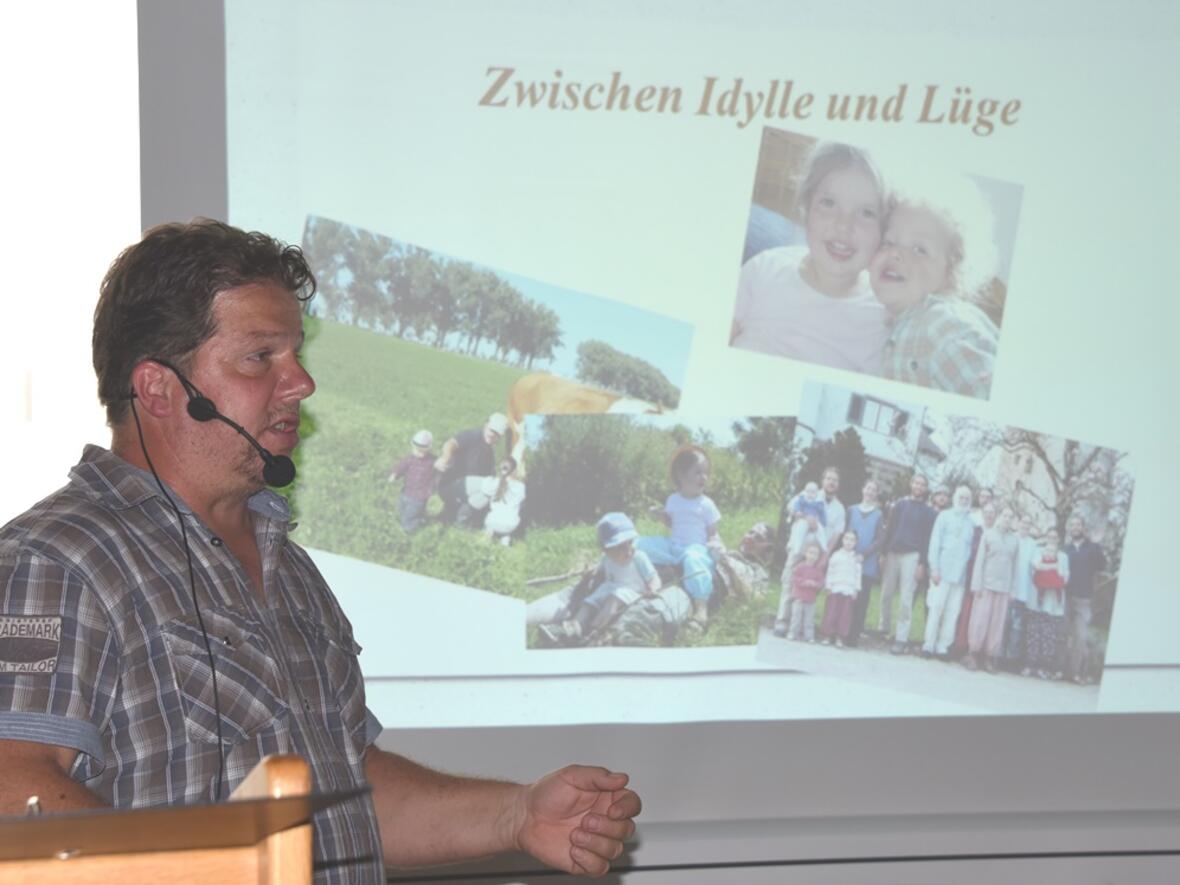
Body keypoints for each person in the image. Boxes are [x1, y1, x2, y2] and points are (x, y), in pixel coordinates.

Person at [0, 221, 639, 883]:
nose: (300, 381)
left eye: (296, 353)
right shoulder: (54, 562)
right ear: (161, 389)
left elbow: (349, 790)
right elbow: (16, 795)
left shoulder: (288, 566)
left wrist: (516, 814)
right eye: (261, 357)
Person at [730, 141, 888, 373]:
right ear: (805, 210)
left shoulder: (885, 318)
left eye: (866, 213)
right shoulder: (765, 267)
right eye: (829, 203)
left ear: (884, 232)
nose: (844, 226)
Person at [869, 174, 1000, 400]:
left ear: (951, 274)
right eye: (889, 241)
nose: (895, 253)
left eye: (919, 249)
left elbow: (986, 391)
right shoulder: (895, 319)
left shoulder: (942, 322)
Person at [539, 512, 661, 646]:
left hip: (632, 591)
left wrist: (653, 588)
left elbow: (653, 577)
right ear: (606, 549)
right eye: (620, 547)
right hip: (610, 587)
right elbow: (599, 570)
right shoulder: (607, 559)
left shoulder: (639, 558)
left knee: (613, 600)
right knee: (589, 601)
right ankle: (574, 627)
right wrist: (590, 573)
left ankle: (593, 631)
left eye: (630, 542)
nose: (628, 550)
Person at [639, 445, 723, 632]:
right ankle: (634, 575)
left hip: (696, 547)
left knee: (694, 561)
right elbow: (671, 523)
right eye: (698, 472)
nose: (704, 477)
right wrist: (659, 515)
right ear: (681, 475)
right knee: (641, 544)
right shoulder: (673, 500)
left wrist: (715, 544)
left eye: (706, 473)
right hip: (674, 546)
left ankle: (701, 608)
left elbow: (712, 531)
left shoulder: (706, 504)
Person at [877, 473, 936, 654]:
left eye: (922, 484)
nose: (918, 487)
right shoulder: (900, 505)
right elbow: (890, 528)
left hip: (912, 556)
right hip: (893, 553)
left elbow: (927, 540)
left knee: (905, 598)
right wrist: (883, 553)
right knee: (886, 593)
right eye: (916, 483)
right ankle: (883, 629)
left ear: (925, 489)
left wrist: (922, 564)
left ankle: (901, 638)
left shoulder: (929, 513)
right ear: (911, 485)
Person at [921, 485, 976, 659]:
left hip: (959, 576)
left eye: (967, 498)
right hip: (942, 572)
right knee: (936, 608)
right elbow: (935, 543)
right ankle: (928, 645)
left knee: (952, 613)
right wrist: (934, 568)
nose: (964, 501)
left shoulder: (971, 523)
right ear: (955, 498)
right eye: (961, 497)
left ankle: (943, 647)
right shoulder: (944, 517)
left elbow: (969, 551)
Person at [964, 506, 1020, 673]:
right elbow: (980, 561)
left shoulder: (1014, 540)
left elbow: (1015, 567)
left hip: (1003, 589)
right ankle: (973, 654)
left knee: (996, 624)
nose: (1007, 519)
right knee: (980, 621)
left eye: (1011, 517)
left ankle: (989, 657)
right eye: (1005, 515)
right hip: (986, 586)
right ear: (999, 516)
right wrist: (977, 585)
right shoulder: (988, 535)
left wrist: (1012, 590)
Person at [435, 413, 508, 525]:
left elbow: (488, 479)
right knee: (490, 485)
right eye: (492, 430)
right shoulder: (472, 435)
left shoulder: (489, 453)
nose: (493, 435)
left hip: (465, 491)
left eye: (498, 434)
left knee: (488, 492)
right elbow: (450, 444)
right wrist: (446, 457)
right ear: (486, 425)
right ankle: (453, 510)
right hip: (449, 486)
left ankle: (460, 519)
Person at [1062, 515, 1107, 684]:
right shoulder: (1066, 550)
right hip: (1065, 597)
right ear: (1069, 528)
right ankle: (1062, 670)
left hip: (1084, 599)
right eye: (1072, 524)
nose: (1075, 527)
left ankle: (1075, 673)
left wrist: (1096, 544)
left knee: (1080, 637)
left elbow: (1102, 566)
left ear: (1083, 528)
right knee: (1064, 634)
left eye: (1078, 524)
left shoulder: (1092, 548)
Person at [845, 478, 884, 648]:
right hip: (849, 560)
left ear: (876, 494)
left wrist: (864, 554)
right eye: (867, 488)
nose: (869, 492)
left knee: (861, 600)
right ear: (863, 490)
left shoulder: (879, 515)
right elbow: (844, 531)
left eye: (873, 490)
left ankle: (853, 636)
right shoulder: (851, 510)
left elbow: (880, 539)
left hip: (866, 564)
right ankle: (840, 631)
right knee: (845, 597)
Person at [1026, 529, 1070, 679]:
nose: (1052, 539)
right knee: (1033, 633)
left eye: (1055, 537)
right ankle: (1029, 665)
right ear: (1046, 538)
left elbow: (1064, 577)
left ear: (1058, 540)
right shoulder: (1037, 551)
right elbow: (1036, 567)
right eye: (1049, 536)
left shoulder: (1063, 557)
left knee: (1048, 636)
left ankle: (1043, 667)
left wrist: (1051, 574)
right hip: (1037, 600)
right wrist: (1052, 569)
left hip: (1052, 603)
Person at [1002, 514, 1039, 671]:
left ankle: (1011, 660)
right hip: (1006, 590)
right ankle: (997, 656)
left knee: (1017, 629)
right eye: (1023, 522)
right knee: (1003, 625)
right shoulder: (1010, 538)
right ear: (1018, 523)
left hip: (1023, 593)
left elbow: (1036, 564)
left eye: (1028, 523)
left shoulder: (1033, 544)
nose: (1025, 525)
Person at [388, 428, 436, 533]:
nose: (419, 453)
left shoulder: (432, 462)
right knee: (402, 509)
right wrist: (395, 474)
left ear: (429, 450)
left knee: (410, 515)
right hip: (406, 491)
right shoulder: (410, 459)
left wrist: (432, 489)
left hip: (420, 496)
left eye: (422, 452)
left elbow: (439, 475)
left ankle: (409, 531)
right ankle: (420, 518)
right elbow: (401, 466)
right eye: (416, 450)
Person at [819, 531, 862, 646]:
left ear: (856, 543)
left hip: (848, 590)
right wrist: (828, 586)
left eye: (852, 540)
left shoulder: (856, 559)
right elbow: (830, 571)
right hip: (835, 588)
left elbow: (858, 575)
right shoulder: (836, 555)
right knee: (831, 612)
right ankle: (827, 635)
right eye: (846, 539)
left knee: (845, 615)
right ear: (842, 540)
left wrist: (856, 589)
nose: (849, 542)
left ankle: (840, 637)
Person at [779, 542, 826, 641]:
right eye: (810, 553)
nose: (812, 556)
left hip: (811, 599)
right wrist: (804, 582)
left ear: (818, 557)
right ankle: (792, 633)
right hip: (799, 597)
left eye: (815, 554)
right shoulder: (800, 567)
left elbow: (821, 583)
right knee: (796, 617)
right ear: (806, 553)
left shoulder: (818, 570)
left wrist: (814, 584)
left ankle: (809, 636)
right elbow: (794, 578)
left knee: (809, 619)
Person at [482, 456, 526, 545]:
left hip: (493, 522)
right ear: (514, 470)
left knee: (491, 519)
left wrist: (492, 476)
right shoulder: (521, 486)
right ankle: (505, 541)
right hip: (512, 524)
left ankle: (487, 539)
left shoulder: (494, 482)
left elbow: (484, 489)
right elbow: (522, 505)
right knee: (509, 518)